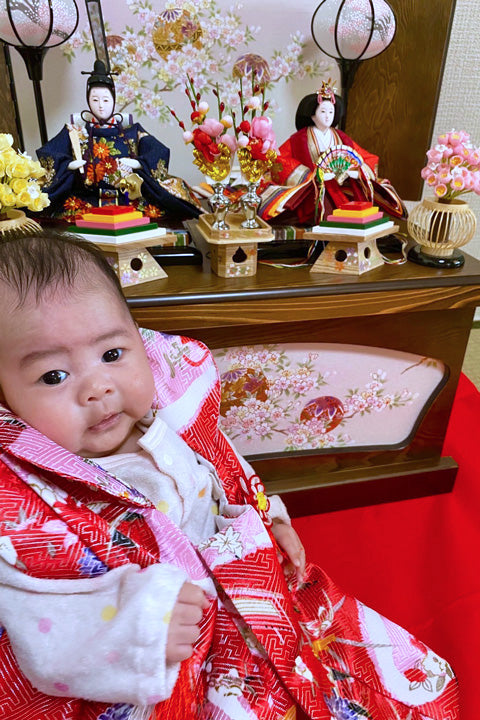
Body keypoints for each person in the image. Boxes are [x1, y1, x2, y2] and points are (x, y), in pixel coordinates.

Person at [0, 231, 458, 720]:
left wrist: (267, 519)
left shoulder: (173, 419)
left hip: (255, 592)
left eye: (112, 354)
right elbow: (38, 629)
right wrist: (141, 628)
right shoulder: (26, 509)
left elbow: (227, 470)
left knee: (378, 674)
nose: (97, 387)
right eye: (53, 376)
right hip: (176, 658)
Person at [37, 60, 201, 222]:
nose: (101, 105)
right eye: (95, 100)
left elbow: (158, 151)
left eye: (106, 100)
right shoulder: (75, 132)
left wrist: (139, 163)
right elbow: (49, 153)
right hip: (87, 200)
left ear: (114, 101)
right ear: (88, 101)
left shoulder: (133, 131)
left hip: (128, 199)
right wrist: (67, 165)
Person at [259, 80, 407, 226]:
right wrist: (311, 176)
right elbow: (280, 159)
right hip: (313, 188)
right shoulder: (299, 138)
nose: (327, 116)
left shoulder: (341, 137)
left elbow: (365, 157)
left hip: (341, 184)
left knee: (371, 199)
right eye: (322, 111)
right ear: (312, 115)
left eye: (331, 112)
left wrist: (356, 172)